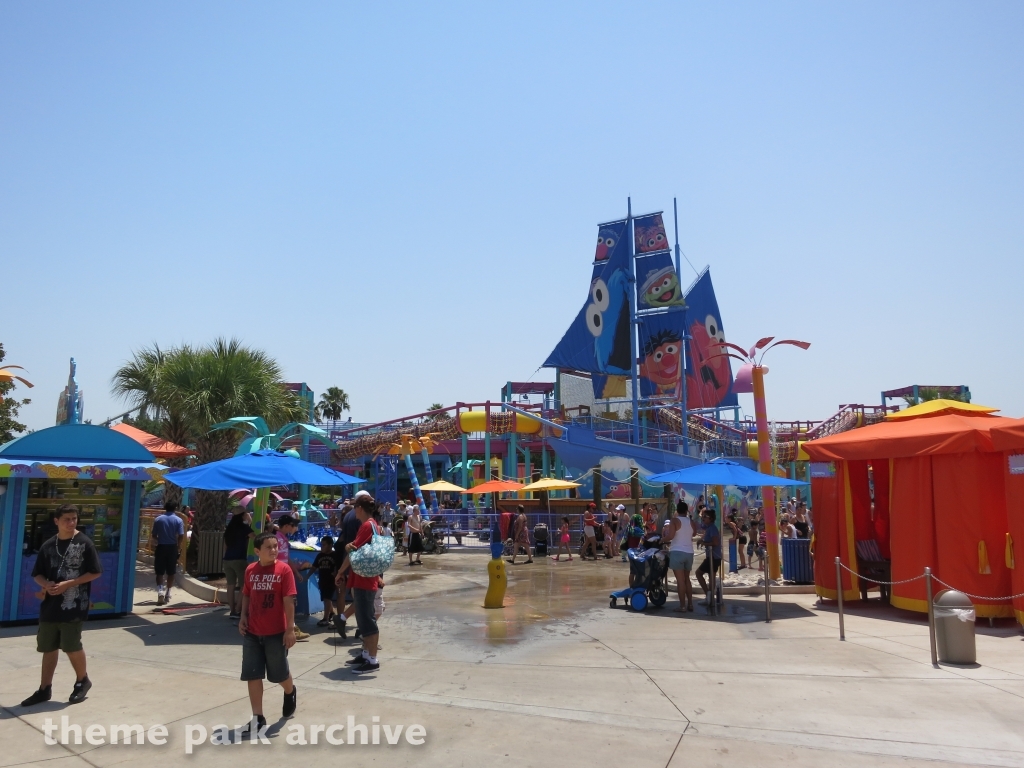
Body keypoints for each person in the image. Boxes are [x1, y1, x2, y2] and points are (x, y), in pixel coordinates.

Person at [20, 505, 102, 707]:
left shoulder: (84, 543)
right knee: (48, 647)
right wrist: (45, 584)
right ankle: (44, 688)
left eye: (74, 518)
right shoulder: (49, 545)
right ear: (56, 521)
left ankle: (82, 680)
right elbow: (37, 573)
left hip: (74, 604)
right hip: (50, 605)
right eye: (67, 519)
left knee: (71, 645)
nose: (71, 522)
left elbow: (95, 572)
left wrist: (70, 583)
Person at [238, 531, 298, 736]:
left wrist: (290, 629)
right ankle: (258, 718)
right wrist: (242, 616)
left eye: (275, 546)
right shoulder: (250, 571)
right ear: (257, 551)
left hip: (276, 632)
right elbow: (246, 594)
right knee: (252, 674)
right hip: (252, 632)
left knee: (279, 674)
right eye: (269, 547)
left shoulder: (284, 570)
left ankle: (290, 691)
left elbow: (289, 600)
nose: (274, 550)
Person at [344, 495, 384, 672]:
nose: (353, 511)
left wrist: (347, 547)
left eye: (355, 507)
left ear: (359, 508)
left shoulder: (367, 525)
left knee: (367, 620)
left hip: (364, 578)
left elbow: (354, 548)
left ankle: (372, 660)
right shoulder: (372, 524)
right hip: (365, 576)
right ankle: (367, 654)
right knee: (363, 619)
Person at [274, 516, 311, 641]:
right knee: (288, 601)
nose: (295, 528)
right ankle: (292, 628)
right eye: (293, 525)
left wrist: (295, 572)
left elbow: (286, 557)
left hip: (285, 573)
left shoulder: (283, 538)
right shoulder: (276, 539)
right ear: (286, 526)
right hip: (278, 575)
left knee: (288, 601)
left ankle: (291, 627)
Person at [151, 501, 186, 606]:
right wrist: (178, 546)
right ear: (175, 508)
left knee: (159, 571)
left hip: (161, 546)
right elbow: (181, 535)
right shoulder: (179, 520)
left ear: (165, 508)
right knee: (171, 571)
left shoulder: (158, 519)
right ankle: (168, 593)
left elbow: (154, 535)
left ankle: (160, 590)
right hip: (172, 547)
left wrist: (157, 541)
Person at [223, 506, 255, 618]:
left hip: (227, 560)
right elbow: (255, 537)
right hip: (239, 559)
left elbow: (225, 546)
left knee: (230, 586)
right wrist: (250, 521)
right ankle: (238, 609)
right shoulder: (244, 527)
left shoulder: (229, 528)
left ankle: (232, 610)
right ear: (243, 515)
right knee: (243, 586)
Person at [662, 505, 695, 613]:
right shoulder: (691, 521)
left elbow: (670, 536)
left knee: (680, 581)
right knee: (687, 579)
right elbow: (693, 533)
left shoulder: (674, 521)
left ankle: (682, 606)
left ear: (677, 510)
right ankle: (690, 604)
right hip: (689, 552)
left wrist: (662, 539)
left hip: (677, 551)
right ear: (686, 511)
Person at [695, 509, 723, 606]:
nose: (703, 518)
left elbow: (715, 543)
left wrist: (704, 543)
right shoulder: (709, 528)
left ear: (710, 519)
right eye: (703, 516)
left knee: (699, 573)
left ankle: (708, 595)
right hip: (711, 556)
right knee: (711, 576)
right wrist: (701, 540)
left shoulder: (712, 529)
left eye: (705, 517)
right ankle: (710, 597)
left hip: (713, 557)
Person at [312, 536, 342, 627]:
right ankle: (332, 613)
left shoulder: (335, 555)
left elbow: (338, 566)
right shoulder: (320, 556)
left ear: (330, 545)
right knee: (325, 598)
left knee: (327, 599)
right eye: (321, 545)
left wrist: (336, 573)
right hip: (322, 580)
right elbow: (314, 567)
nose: (322, 547)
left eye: (324, 545)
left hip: (331, 581)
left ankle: (325, 618)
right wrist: (307, 576)